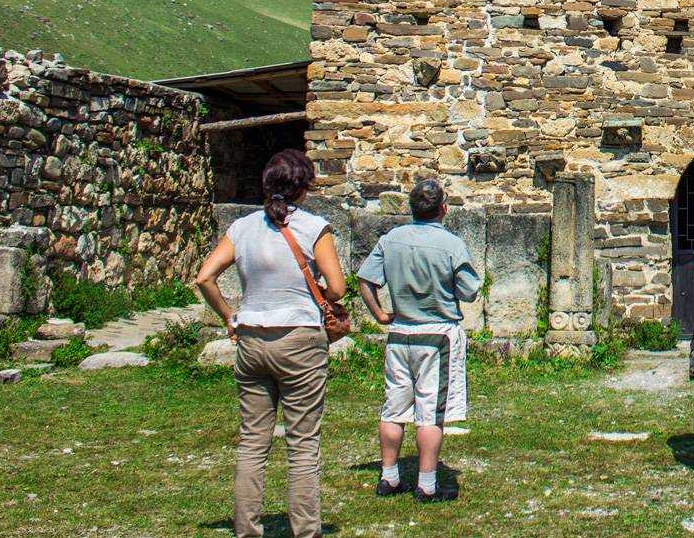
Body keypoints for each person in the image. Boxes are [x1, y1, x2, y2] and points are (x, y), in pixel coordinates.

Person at [194, 148, 346, 538]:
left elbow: (205, 277)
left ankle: (247, 529)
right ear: (304, 187)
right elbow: (338, 287)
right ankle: (305, 530)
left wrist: (230, 316)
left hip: (252, 338)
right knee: (303, 443)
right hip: (299, 338)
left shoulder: (242, 228)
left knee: (252, 442)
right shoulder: (314, 228)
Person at [355, 178, 480, 503]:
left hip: (400, 333)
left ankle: (389, 476)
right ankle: (426, 483)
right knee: (430, 413)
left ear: (412, 208)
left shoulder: (391, 239)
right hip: (436, 335)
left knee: (393, 407)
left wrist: (381, 315)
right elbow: (469, 290)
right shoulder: (451, 244)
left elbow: (366, 280)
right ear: (443, 208)